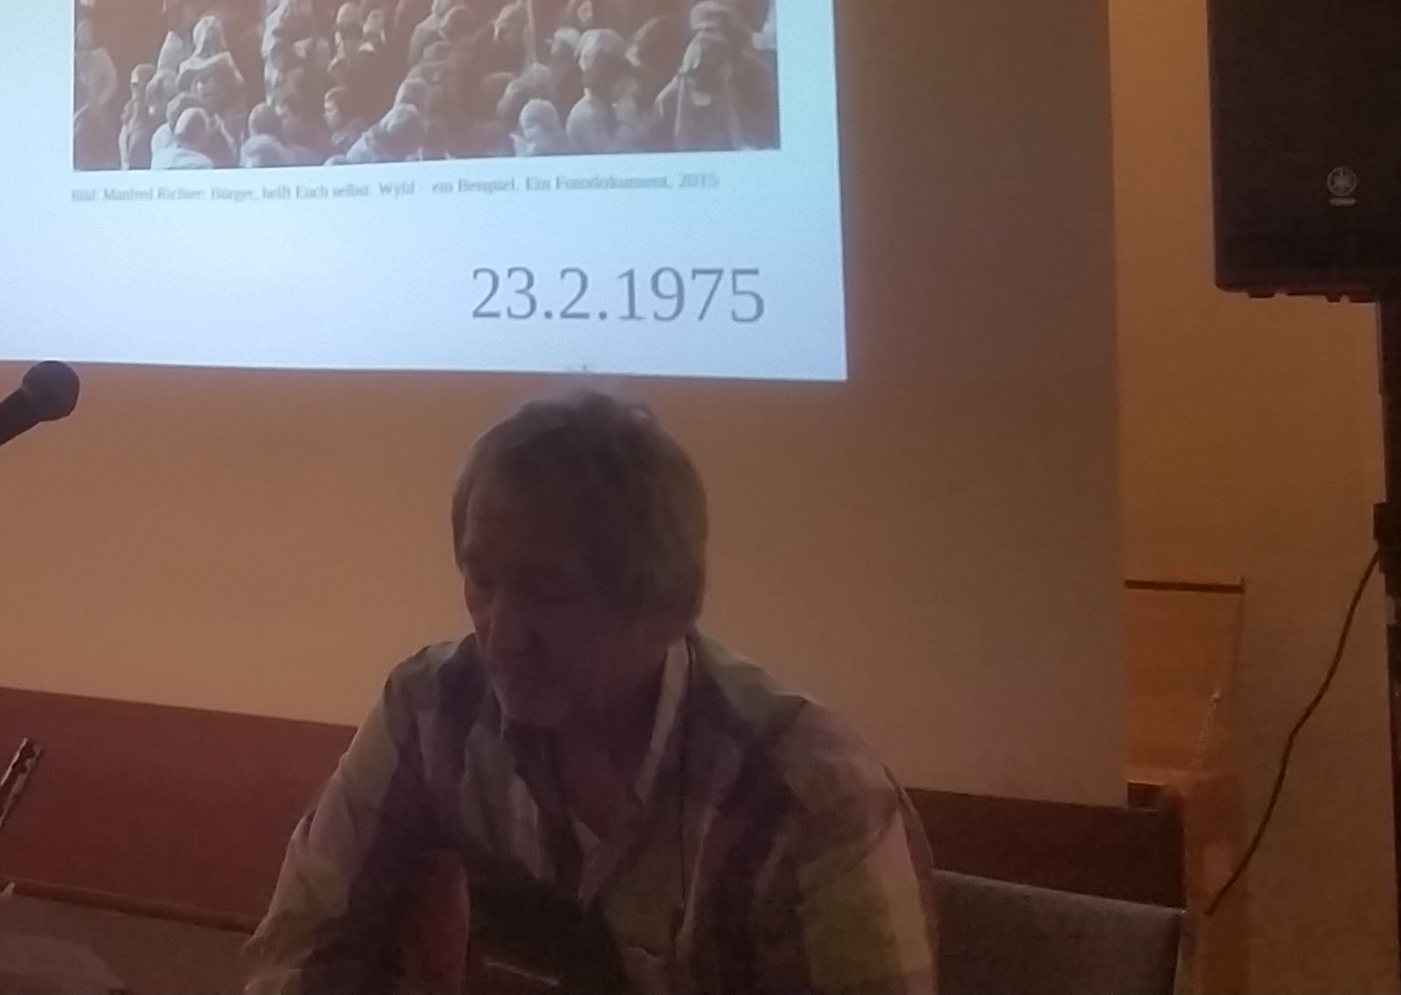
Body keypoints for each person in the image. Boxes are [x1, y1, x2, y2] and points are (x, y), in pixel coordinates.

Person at [243, 393, 933, 995]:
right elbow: (302, 942)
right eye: (481, 579)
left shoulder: (811, 798)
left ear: (666, 606)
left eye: (548, 592)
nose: (500, 636)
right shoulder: (434, 706)